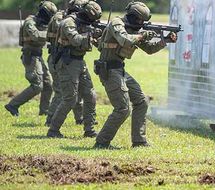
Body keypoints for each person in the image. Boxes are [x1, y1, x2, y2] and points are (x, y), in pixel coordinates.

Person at [94, 1, 177, 149]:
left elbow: (149, 49)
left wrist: (165, 40)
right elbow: (125, 40)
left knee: (141, 101)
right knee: (123, 108)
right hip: (109, 70)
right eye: (139, 21)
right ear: (132, 16)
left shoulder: (133, 29)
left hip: (119, 70)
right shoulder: (116, 23)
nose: (140, 24)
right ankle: (102, 142)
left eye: (143, 22)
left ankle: (139, 141)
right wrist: (141, 35)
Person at [47, 1, 102, 138]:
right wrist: (91, 33)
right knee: (70, 99)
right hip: (67, 62)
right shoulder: (68, 23)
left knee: (90, 95)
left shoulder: (85, 24)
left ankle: (89, 130)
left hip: (79, 62)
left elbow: (95, 42)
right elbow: (76, 40)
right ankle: (53, 130)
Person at [5, 1, 57, 116]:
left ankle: (45, 111)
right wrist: (52, 35)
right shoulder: (30, 22)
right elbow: (36, 36)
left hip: (38, 56)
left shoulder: (42, 23)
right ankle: (13, 105)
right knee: (37, 86)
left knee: (48, 84)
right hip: (30, 56)